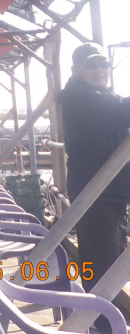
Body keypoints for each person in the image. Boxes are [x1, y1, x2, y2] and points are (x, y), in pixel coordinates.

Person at [58, 43, 130, 320]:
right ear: (76, 69)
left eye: (103, 64)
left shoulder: (99, 96)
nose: (99, 69)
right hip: (94, 194)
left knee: (110, 258)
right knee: (102, 265)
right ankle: (100, 323)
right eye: (90, 64)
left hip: (111, 193)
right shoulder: (78, 97)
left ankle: (103, 320)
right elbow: (121, 111)